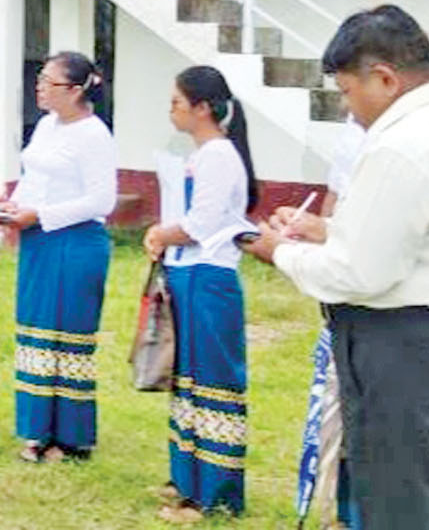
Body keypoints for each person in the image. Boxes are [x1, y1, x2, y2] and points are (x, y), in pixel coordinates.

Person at [242, 4, 429, 530]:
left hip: (416, 357)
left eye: (348, 91)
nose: (348, 109)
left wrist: (278, 251)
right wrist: (330, 232)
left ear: (385, 78)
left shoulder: (404, 143)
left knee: (404, 512)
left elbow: (358, 274)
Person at [144, 66, 258, 523]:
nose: (171, 109)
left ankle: (217, 496)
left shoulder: (219, 156)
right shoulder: (202, 155)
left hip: (209, 279)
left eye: (177, 101)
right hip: (187, 275)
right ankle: (188, 482)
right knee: (188, 381)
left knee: (213, 385)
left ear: (203, 107)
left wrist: (161, 233)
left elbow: (201, 225)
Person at [0, 52, 117, 464]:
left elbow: (101, 200)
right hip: (39, 240)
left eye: (50, 82)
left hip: (75, 243)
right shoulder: (47, 126)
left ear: (77, 90)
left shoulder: (94, 135)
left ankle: (71, 438)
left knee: (68, 337)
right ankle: (37, 429)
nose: (41, 88)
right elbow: (35, 178)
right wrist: (13, 207)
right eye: (40, 79)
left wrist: (42, 215)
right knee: (37, 333)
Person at [295, 115, 366, 530]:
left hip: (379, 312)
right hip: (342, 304)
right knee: (337, 418)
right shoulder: (352, 135)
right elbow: (333, 200)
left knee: (367, 425)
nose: (346, 101)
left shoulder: (402, 143)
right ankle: (337, 513)